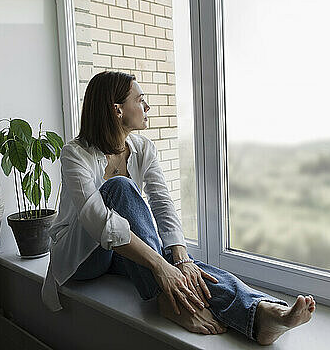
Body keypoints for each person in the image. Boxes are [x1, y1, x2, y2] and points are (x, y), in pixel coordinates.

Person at [41, 71, 316, 345]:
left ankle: (259, 313)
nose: (146, 107)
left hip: (118, 249)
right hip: (82, 258)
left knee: (185, 267)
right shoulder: (75, 153)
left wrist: (180, 258)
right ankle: (169, 303)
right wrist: (161, 265)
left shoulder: (142, 147)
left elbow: (162, 203)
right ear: (117, 110)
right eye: (140, 100)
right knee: (121, 189)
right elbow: (97, 221)